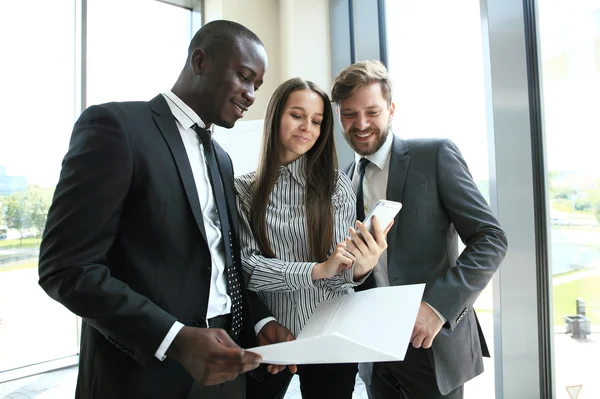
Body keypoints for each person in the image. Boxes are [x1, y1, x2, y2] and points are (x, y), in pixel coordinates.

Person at [38, 20, 295, 399]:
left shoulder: (221, 159)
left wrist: (260, 321)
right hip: (142, 374)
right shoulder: (117, 127)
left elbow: (224, 262)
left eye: (257, 85)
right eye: (244, 77)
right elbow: (67, 267)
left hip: (226, 365)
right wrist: (174, 340)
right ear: (200, 61)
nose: (252, 94)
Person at [331, 60, 508, 399]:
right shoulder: (343, 181)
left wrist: (437, 308)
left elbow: (491, 239)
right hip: (376, 355)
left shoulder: (435, 154)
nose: (362, 124)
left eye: (372, 111)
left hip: (432, 342)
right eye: (349, 114)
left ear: (391, 109)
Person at [235, 77, 392, 399]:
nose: (307, 127)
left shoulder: (335, 187)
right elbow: (247, 269)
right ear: (276, 116)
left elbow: (339, 281)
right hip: (270, 338)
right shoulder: (243, 190)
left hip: (330, 339)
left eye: (317, 121)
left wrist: (359, 267)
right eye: (297, 115)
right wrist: (315, 270)